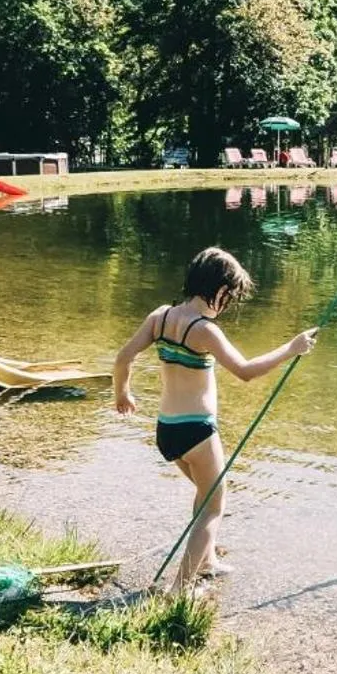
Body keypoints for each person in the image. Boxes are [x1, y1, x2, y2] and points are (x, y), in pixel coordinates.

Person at [112, 247, 317, 589]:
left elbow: (123, 358)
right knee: (213, 506)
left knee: (207, 494)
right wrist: (291, 348)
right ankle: (179, 589)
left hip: (167, 430)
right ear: (219, 290)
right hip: (198, 431)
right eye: (230, 296)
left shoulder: (160, 317)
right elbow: (246, 371)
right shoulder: (204, 330)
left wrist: (123, 393)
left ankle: (206, 560)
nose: (228, 304)